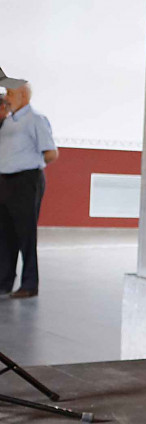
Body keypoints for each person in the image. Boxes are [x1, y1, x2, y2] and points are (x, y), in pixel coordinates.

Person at [0, 75, 58, 299]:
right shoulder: (7, 122)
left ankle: (30, 284)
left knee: (26, 235)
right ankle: (4, 282)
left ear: (23, 95)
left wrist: (29, 165)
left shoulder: (36, 119)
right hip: (5, 182)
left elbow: (51, 153)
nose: (6, 98)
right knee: (5, 235)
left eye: (10, 93)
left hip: (26, 181)